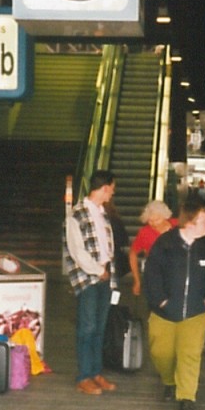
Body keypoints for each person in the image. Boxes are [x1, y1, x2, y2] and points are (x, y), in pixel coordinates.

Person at [142, 196, 205, 410]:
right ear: (189, 223)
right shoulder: (165, 243)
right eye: (203, 220)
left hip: (196, 312)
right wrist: (161, 301)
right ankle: (169, 381)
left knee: (189, 354)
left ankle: (187, 397)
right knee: (161, 352)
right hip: (164, 312)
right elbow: (152, 274)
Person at [62, 169, 118, 396]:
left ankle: (95, 372)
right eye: (112, 189)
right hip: (88, 279)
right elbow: (77, 251)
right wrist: (98, 270)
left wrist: (108, 272)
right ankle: (84, 376)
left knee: (99, 327)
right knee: (87, 327)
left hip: (105, 276)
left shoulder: (102, 213)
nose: (112, 193)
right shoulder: (76, 214)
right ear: (104, 188)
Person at [129, 200, 177, 298]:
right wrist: (137, 280)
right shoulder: (145, 232)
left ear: (165, 216)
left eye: (157, 219)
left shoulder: (177, 225)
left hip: (177, 273)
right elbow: (132, 254)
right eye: (150, 221)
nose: (154, 223)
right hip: (155, 275)